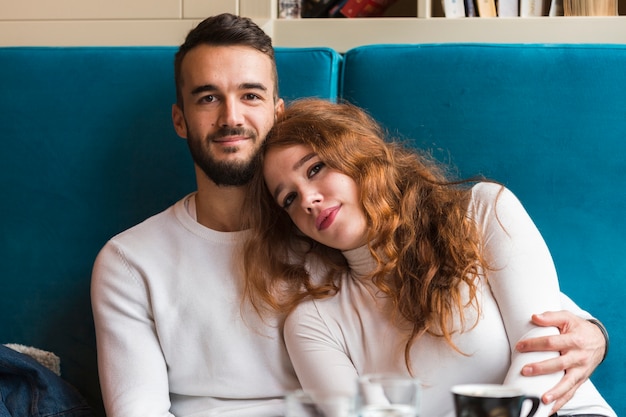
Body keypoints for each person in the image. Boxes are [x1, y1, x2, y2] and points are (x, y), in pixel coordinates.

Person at [90, 13, 608, 417]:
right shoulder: (131, 261)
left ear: (278, 112)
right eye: (208, 98)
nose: (231, 117)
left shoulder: (341, 233)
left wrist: (595, 334)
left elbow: (545, 320)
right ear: (181, 119)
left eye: (250, 95)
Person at [242, 98, 616, 417]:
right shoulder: (313, 323)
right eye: (288, 198)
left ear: (356, 155)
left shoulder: (484, 210)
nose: (307, 199)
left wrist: (596, 333)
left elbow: (543, 353)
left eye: (315, 168)